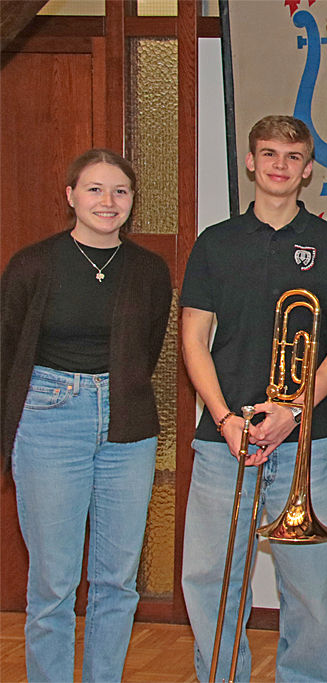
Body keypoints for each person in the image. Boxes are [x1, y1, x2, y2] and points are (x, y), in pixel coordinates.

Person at [179, 115, 327, 682]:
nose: (280, 166)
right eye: (269, 154)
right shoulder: (215, 242)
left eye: (292, 157)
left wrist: (294, 411)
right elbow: (193, 339)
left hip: (305, 440)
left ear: (307, 170)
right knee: (211, 578)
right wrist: (225, 418)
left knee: (307, 586)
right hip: (223, 441)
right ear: (251, 163)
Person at [0, 149, 172, 682]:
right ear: (71, 195)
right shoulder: (32, 264)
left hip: (128, 428)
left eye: (119, 191)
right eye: (95, 189)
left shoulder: (149, 269)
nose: (107, 201)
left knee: (117, 581)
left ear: (131, 202)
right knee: (53, 583)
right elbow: (6, 350)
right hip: (49, 420)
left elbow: (146, 348)